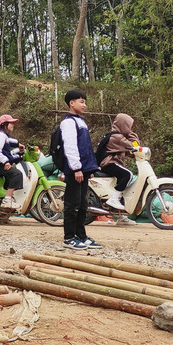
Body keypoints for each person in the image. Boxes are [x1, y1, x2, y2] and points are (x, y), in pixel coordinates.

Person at [60, 89, 101, 250]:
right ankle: (69, 237)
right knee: (72, 203)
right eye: (81, 101)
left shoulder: (81, 122)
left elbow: (86, 148)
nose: (85, 104)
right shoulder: (68, 122)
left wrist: (89, 168)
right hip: (74, 170)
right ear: (72, 103)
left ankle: (81, 235)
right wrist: (76, 168)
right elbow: (71, 147)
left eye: (85, 101)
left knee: (83, 204)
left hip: (83, 169)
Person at [98, 113, 140, 211]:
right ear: (123, 125)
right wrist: (132, 135)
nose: (130, 129)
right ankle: (113, 199)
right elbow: (135, 146)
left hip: (111, 163)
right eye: (129, 126)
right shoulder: (117, 137)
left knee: (123, 186)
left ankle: (122, 216)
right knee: (128, 175)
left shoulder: (117, 136)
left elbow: (129, 151)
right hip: (108, 163)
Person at [0, 115, 25, 210]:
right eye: (11, 123)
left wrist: (19, 150)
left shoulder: (3, 135)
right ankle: (7, 200)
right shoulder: (1, 135)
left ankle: (3, 200)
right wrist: (5, 162)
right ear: (5, 124)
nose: (13, 125)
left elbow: (7, 149)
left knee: (11, 176)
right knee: (17, 174)